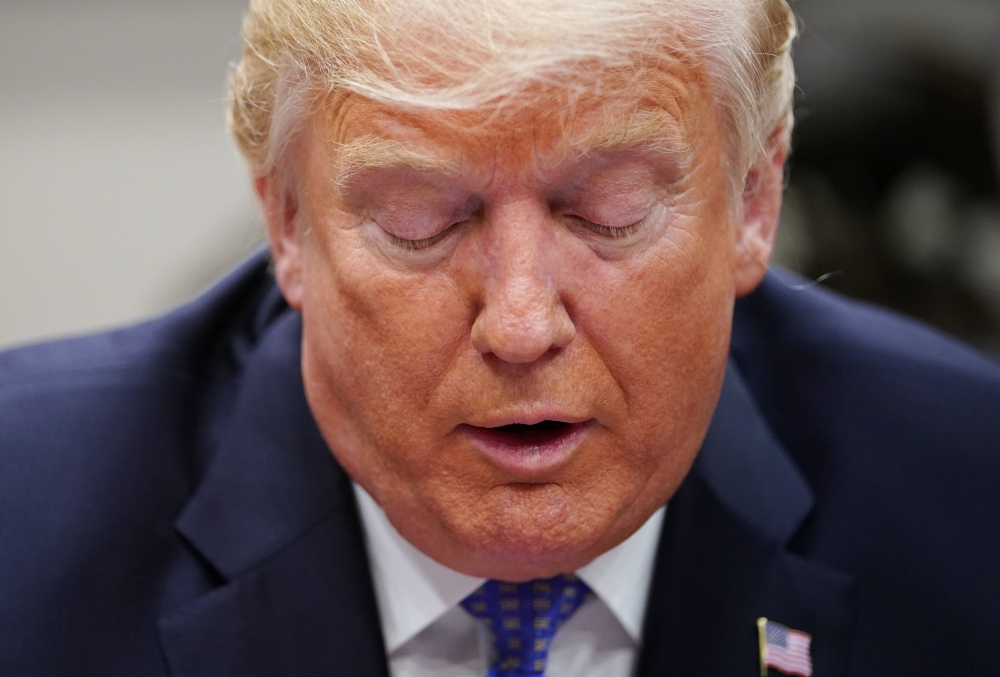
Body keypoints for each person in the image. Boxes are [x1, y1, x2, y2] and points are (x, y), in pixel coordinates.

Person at [1, 0, 998, 675]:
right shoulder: (25, 525)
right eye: (419, 219)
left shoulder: (966, 492)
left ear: (754, 199)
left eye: (609, 211)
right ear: (287, 222)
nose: (521, 324)